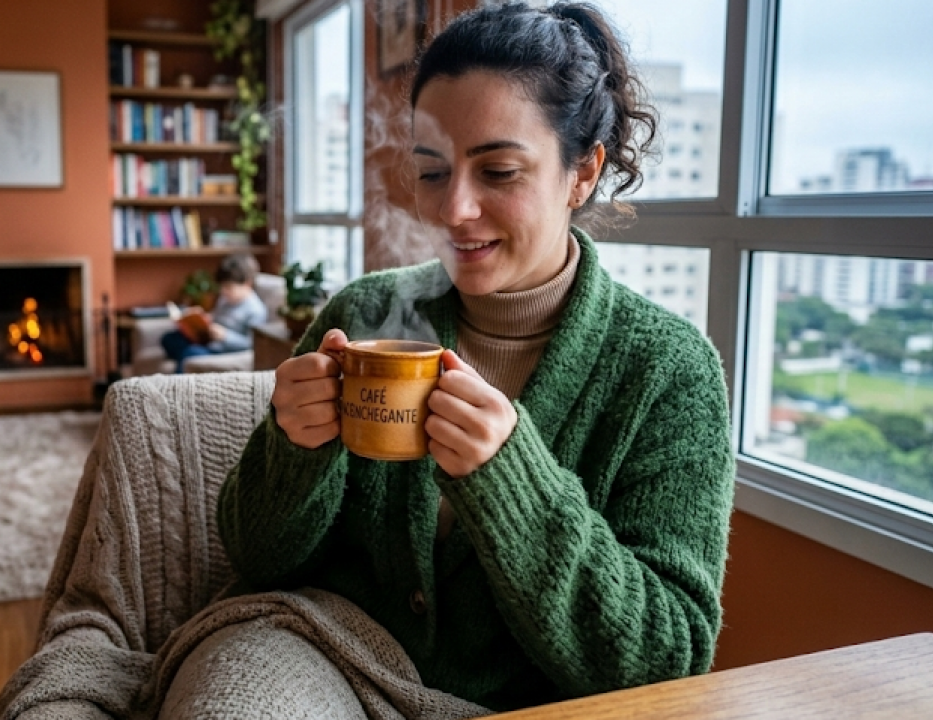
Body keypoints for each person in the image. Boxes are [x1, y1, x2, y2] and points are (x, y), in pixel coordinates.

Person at [197, 1, 736, 715]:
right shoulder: (363, 316)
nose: (454, 211)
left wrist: (511, 476)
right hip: (331, 665)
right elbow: (255, 556)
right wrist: (292, 450)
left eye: (500, 171)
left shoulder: (668, 374)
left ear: (582, 172)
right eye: (432, 171)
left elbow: (666, 657)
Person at [160, 251, 268, 373]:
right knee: (168, 338)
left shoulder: (255, 310)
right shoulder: (224, 299)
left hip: (223, 351)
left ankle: (179, 376)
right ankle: (184, 358)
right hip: (208, 341)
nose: (223, 291)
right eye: (222, 287)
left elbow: (252, 344)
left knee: (191, 353)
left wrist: (225, 336)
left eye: (229, 287)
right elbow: (215, 318)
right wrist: (201, 317)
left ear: (247, 283)